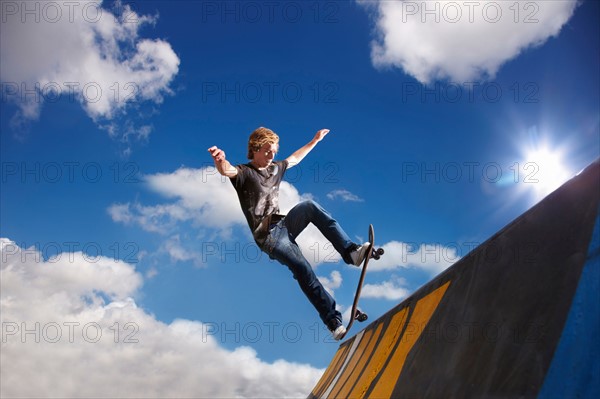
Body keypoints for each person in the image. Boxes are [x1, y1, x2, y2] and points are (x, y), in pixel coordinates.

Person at [208, 127, 370, 340]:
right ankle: (333, 322)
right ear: (255, 149)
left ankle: (351, 253)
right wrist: (220, 160)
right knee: (303, 268)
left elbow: (294, 158)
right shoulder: (244, 173)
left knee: (310, 206)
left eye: (274, 151)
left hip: (284, 224)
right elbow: (227, 170)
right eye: (267, 151)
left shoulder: (276, 168)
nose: (271, 156)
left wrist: (315, 140)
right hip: (269, 237)